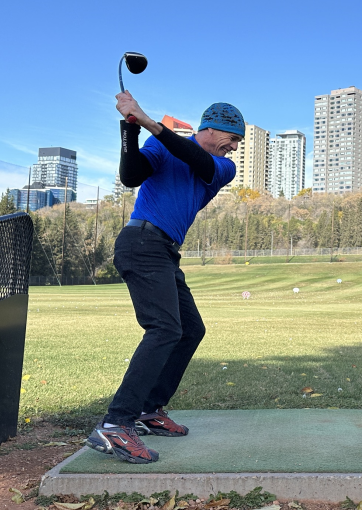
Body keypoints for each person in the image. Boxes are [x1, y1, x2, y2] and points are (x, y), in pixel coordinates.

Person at [85, 91, 243, 464]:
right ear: (210, 128)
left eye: (237, 142)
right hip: (141, 242)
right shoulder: (163, 147)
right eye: (231, 138)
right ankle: (115, 424)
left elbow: (194, 157)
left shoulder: (221, 167)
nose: (234, 148)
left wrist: (147, 122)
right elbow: (131, 175)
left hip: (165, 251)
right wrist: (130, 131)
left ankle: (148, 409)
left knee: (190, 329)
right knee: (164, 329)